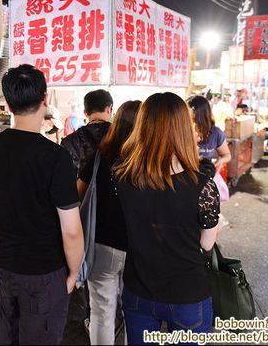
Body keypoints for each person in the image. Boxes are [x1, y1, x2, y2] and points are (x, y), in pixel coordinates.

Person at [0, 64, 84, 345]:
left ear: (8, 103)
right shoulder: (56, 157)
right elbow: (72, 230)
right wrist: (74, 272)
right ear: (45, 99)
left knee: (9, 331)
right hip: (44, 271)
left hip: (5, 262)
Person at [114, 92, 221, 343]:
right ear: (184, 128)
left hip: (138, 290)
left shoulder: (122, 177)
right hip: (187, 295)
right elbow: (206, 244)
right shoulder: (202, 184)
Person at [77, 100, 141, 345]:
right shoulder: (151, 160)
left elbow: (77, 194)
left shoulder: (99, 156)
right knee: (132, 313)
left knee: (101, 312)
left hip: (102, 245)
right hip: (138, 249)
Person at [61, 89, 113, 174]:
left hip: (78, 187)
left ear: (85, 113)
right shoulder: (122, 136)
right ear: (109, 109)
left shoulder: (69, 141)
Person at [188, 96, 232, 173]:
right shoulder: (182, 131)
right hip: (185, 174)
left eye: (188, 111)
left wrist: (221, 161)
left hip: (204, 174)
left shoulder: (216, 133)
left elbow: (227, 155)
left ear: (199, 113)